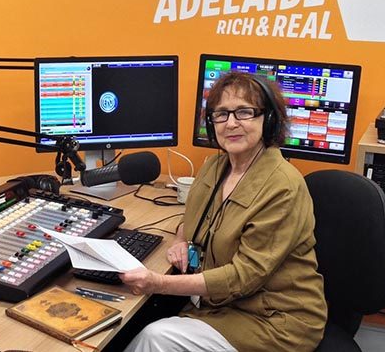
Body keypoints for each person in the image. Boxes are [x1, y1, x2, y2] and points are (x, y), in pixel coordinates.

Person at [120, 71, 327, 351]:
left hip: (274, 320)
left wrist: (158, 282)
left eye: (244, 112)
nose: (231, 123)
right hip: (222, 305)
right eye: (221, 114)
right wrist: (182, 240)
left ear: (268, 119)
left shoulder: (283, 186)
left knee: (156, 337)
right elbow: (192, 219)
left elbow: (244, 276)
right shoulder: (216, 168)